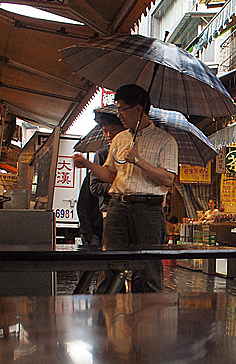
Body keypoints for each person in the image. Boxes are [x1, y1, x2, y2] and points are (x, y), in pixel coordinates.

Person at [72, 84, 178, 293]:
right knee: (109, 265)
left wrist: (138, 160)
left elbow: (167, 179)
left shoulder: (165, 141)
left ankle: (145, 321)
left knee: (147, 270)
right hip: (117, 207)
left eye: (122, 109)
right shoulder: (120, 138)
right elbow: (110, 174)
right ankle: (109, 320)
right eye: (118, 109)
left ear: (139, 109)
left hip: (148, 210)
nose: (119, 115)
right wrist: (88, 165)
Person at [76, 110, 124, 247]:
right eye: (105, 131)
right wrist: (120, 186)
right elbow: (94, 188)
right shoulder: (102, 154)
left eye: (113, 130)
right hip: (105, 217)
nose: (109, 135)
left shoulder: (132, 151)